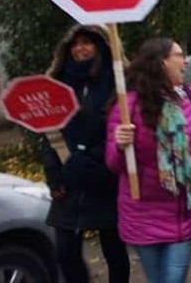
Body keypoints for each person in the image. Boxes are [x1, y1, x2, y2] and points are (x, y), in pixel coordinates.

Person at [106, 38, 191, 283]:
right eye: (179, 55)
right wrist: (120, 145)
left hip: (184, 210)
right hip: (143, 215)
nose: (186, 61)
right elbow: (114, 165)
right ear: (161, 62)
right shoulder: (128, 106)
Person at [41, 25, 130, 283]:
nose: (81, 48)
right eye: (76, 43)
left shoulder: (116, 84)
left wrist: (96, 159)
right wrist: (55, 177)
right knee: (65, 253)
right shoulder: (58, 84)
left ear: (100, 46)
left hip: (104, 176)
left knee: (114, 249)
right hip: (68, 179)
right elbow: (48, 133)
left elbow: (119, 126)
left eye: (87, 42)